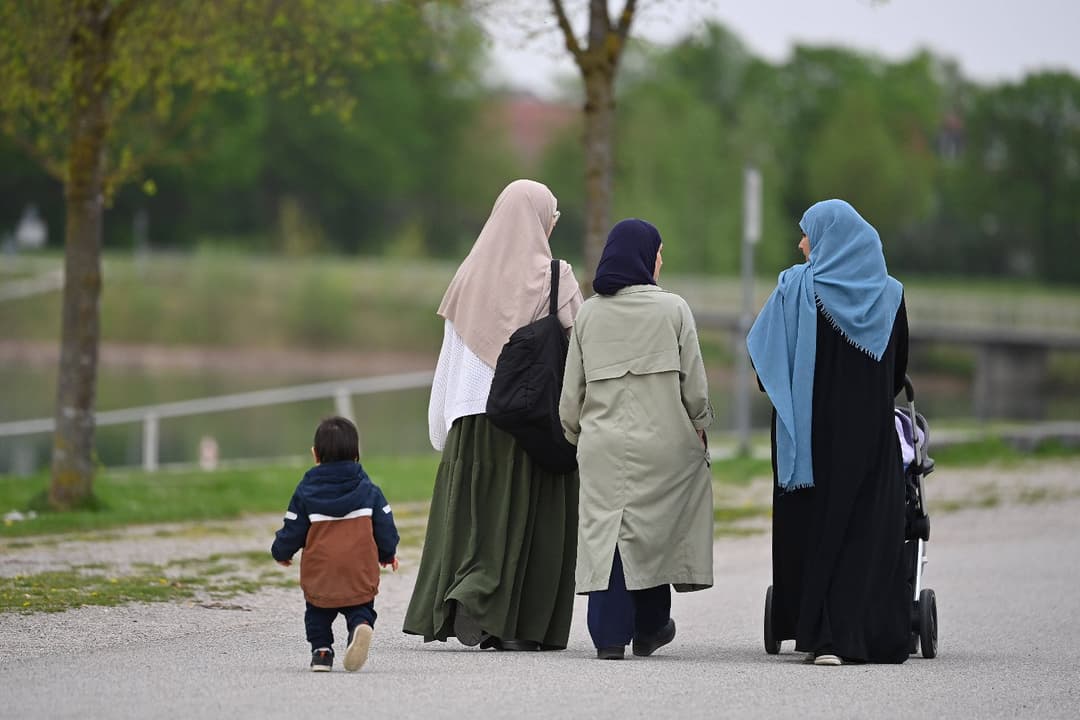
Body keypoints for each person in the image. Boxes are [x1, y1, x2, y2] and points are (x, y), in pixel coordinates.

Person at [402, 179, 584, 651]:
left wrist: (442, 424)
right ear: (541, 220)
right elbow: (582, 347)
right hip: (527, 421)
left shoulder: (468, 275)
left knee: (472, 519)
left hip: (469, 421)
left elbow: (450, 357)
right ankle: (509, 617)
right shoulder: (555, 277)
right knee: (525, 521)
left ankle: (460, 598)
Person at [748, 198, 910, 666]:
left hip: (810, 441)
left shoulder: (795, 289)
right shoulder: (892, 295)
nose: (801, 244)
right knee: (864, 531)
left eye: (808, 234)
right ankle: (863, 636)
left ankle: (819, 635)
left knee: (815, 528)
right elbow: (897, 372)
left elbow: (764, 369)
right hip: (871, 444)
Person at [559, 218, 714, 660]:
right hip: (664, 445)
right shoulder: (674, 310)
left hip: (604, 447)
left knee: (606, 531)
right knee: (656, 530)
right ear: (645, 257)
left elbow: (572, 393)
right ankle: (650, 627)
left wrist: (574, 433)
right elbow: (695, 388)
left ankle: (609, 636)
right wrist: (701, 424)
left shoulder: (588, 313)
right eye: (659, 252)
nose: (661, 261)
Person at [271, 416, 400, 672]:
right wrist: (387, 554)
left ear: (315, 454)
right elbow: (385, 526)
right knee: (360, 605)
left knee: (317, 612)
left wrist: (281, 552)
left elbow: (293, 528)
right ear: (356, 454)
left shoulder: (306, 491)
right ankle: (359, 626)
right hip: (359, 571)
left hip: (321, 572)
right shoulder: (369, 490)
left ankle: (321, 652)